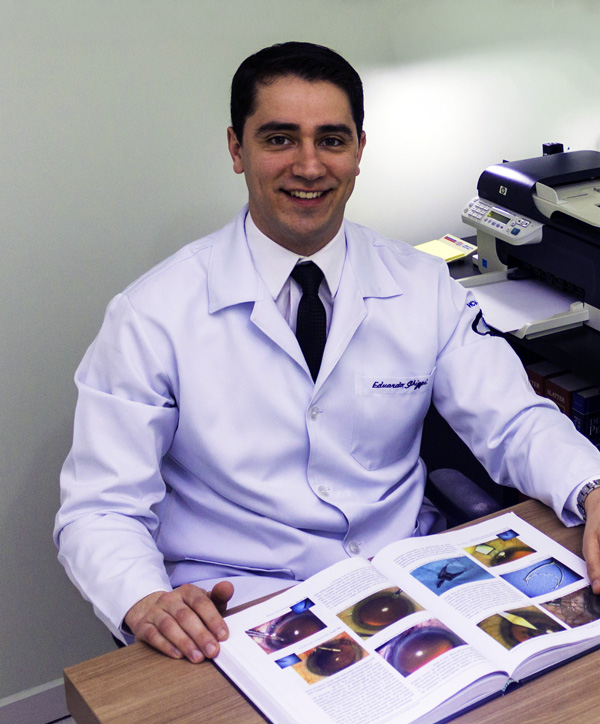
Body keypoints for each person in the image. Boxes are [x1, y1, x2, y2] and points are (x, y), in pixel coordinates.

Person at [54, 41, 600, 667]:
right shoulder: (152, 313)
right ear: (236, 149)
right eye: (280, 138)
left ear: (359, 150)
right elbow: (100, 507)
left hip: (404, 586)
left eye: (332, 140)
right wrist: (144, 598)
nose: (309, 166)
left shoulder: (422, 286)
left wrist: (592, 489)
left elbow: (513, 419)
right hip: (238, 610)